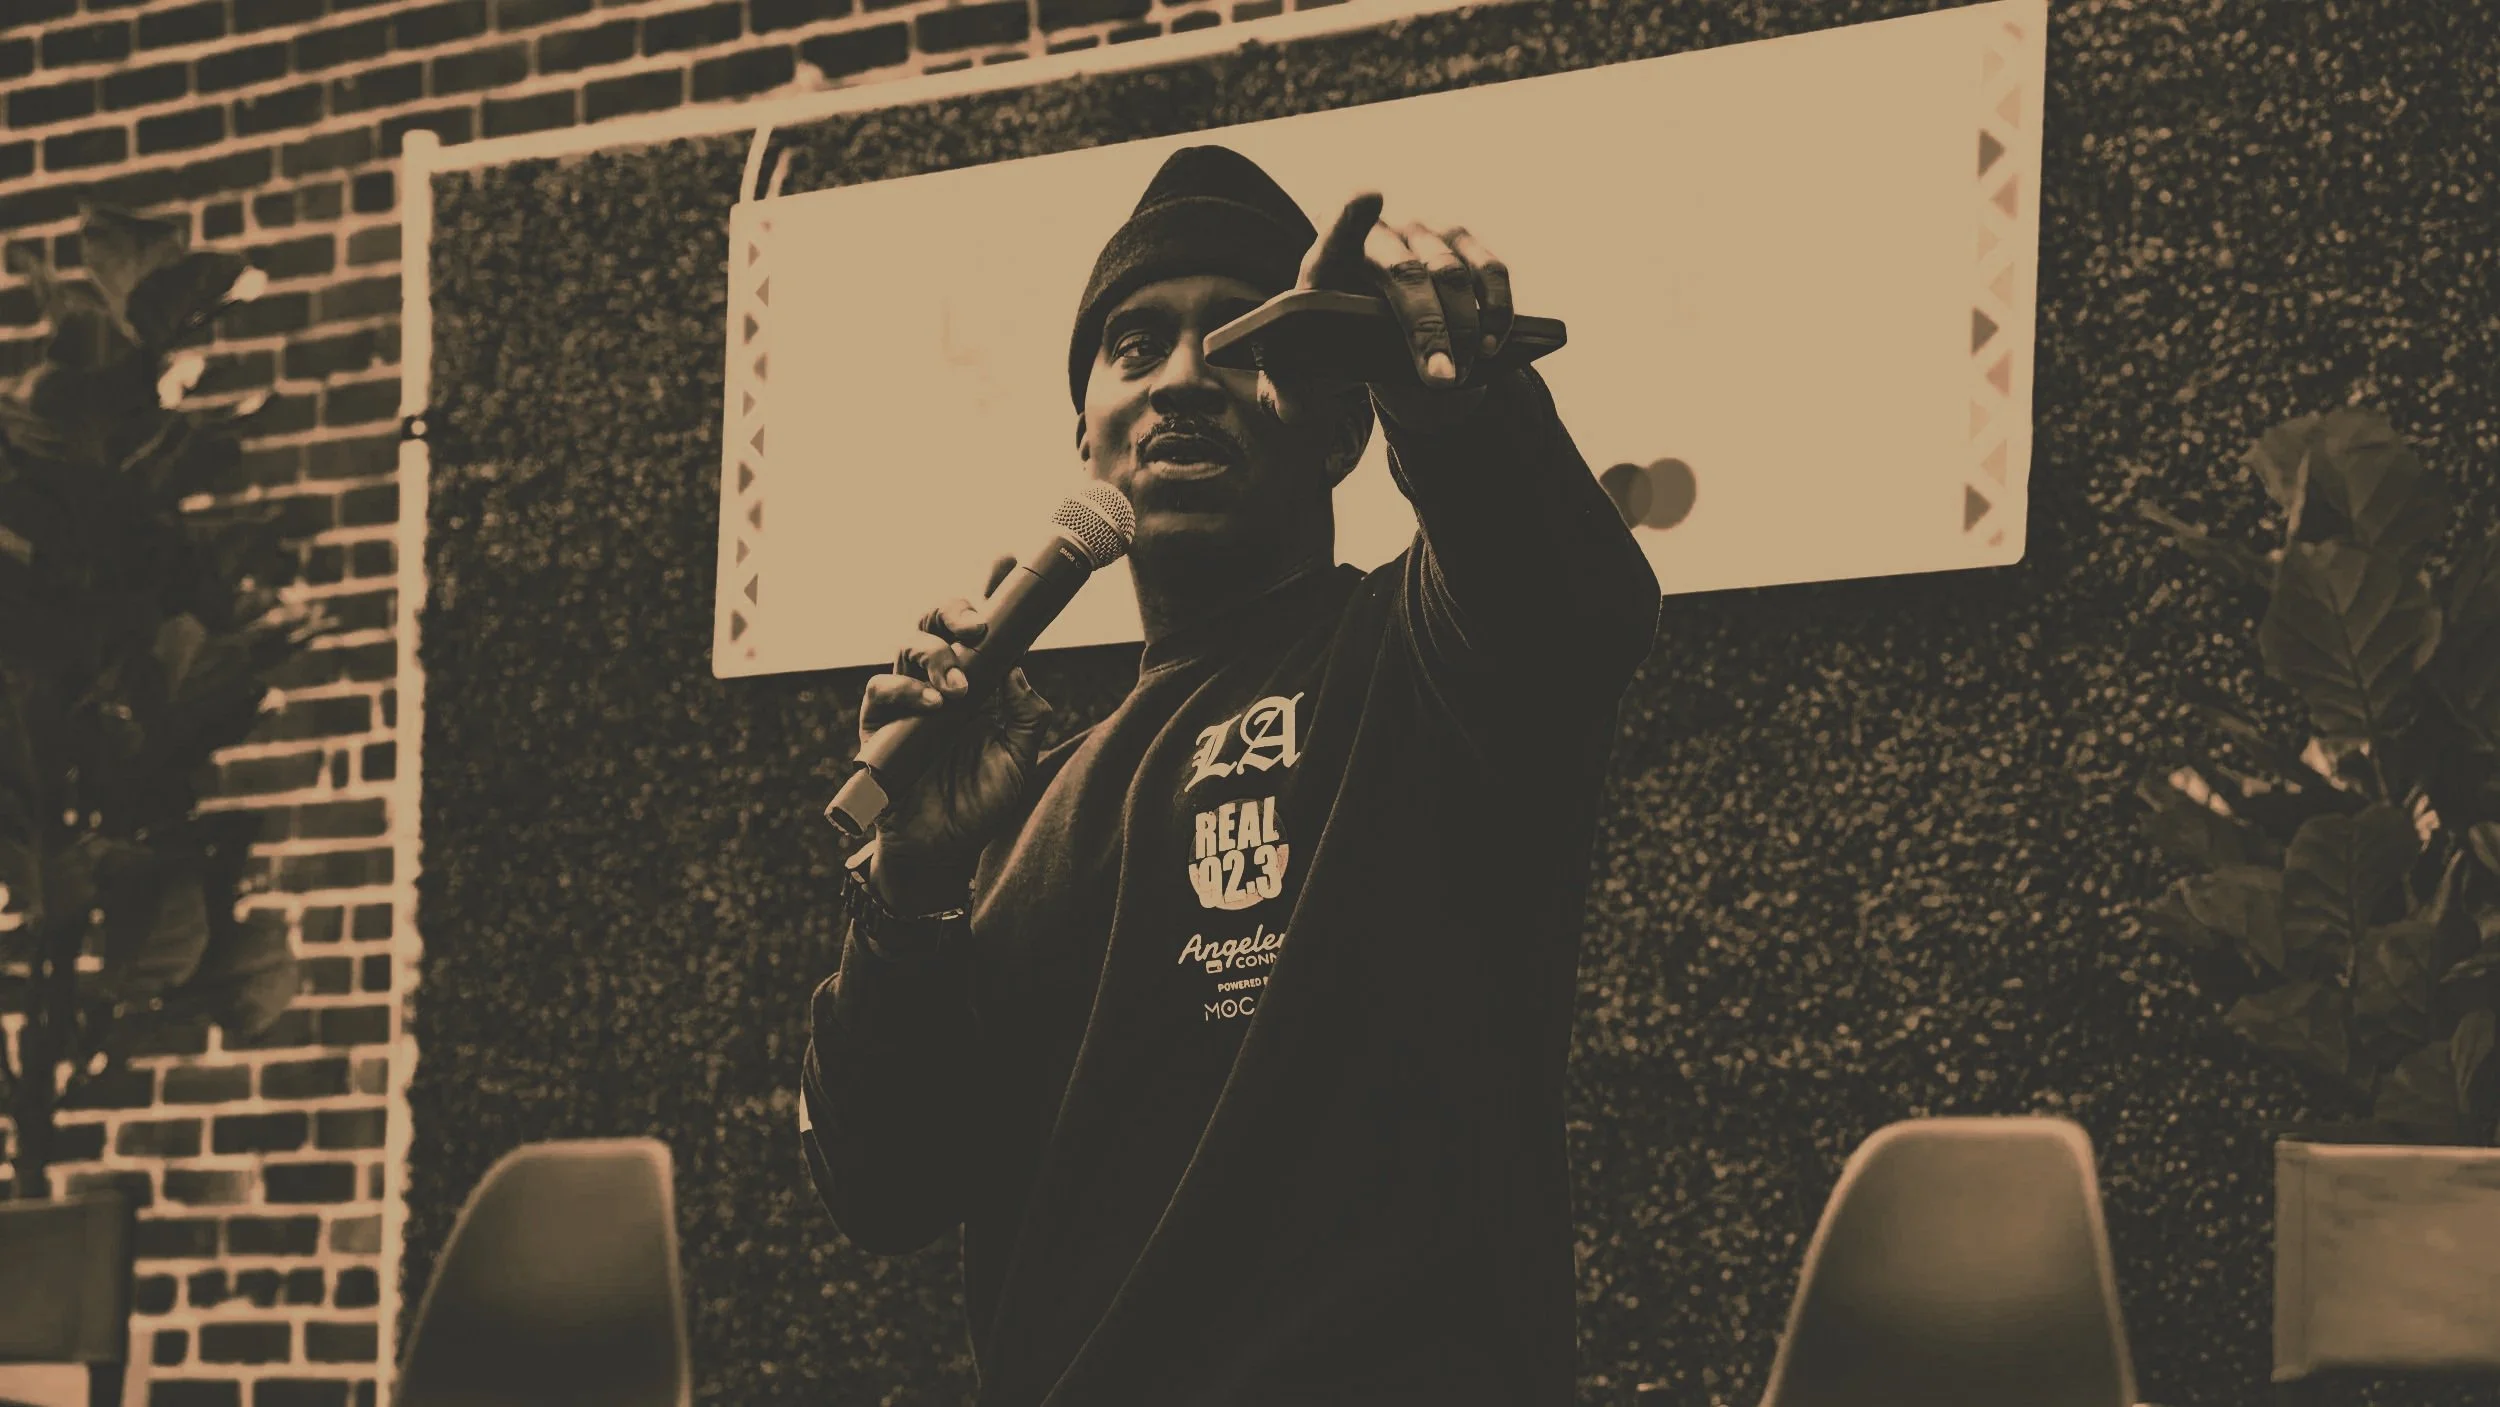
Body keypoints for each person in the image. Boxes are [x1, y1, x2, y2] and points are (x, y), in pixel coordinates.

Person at [801, 144, 1660, 1406]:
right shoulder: (1029, 806)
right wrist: (914, 888)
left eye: (1239, 339)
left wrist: (1453, 411)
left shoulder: (1424, 662)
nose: (1183, 378)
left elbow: (1570, 603)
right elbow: (888, 1188)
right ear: (1086, 436)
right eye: (1136, 346)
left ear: (1342, 423)